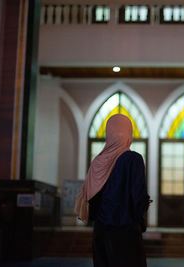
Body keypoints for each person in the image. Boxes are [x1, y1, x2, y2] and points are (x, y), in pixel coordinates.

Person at [74, 114, 150, 267]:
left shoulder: (97, 162)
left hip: (101, 233)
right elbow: (138, 199)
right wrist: (140, 221)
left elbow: (91, 200)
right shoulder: (133, 159)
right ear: (129, 133)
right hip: (126, 232)